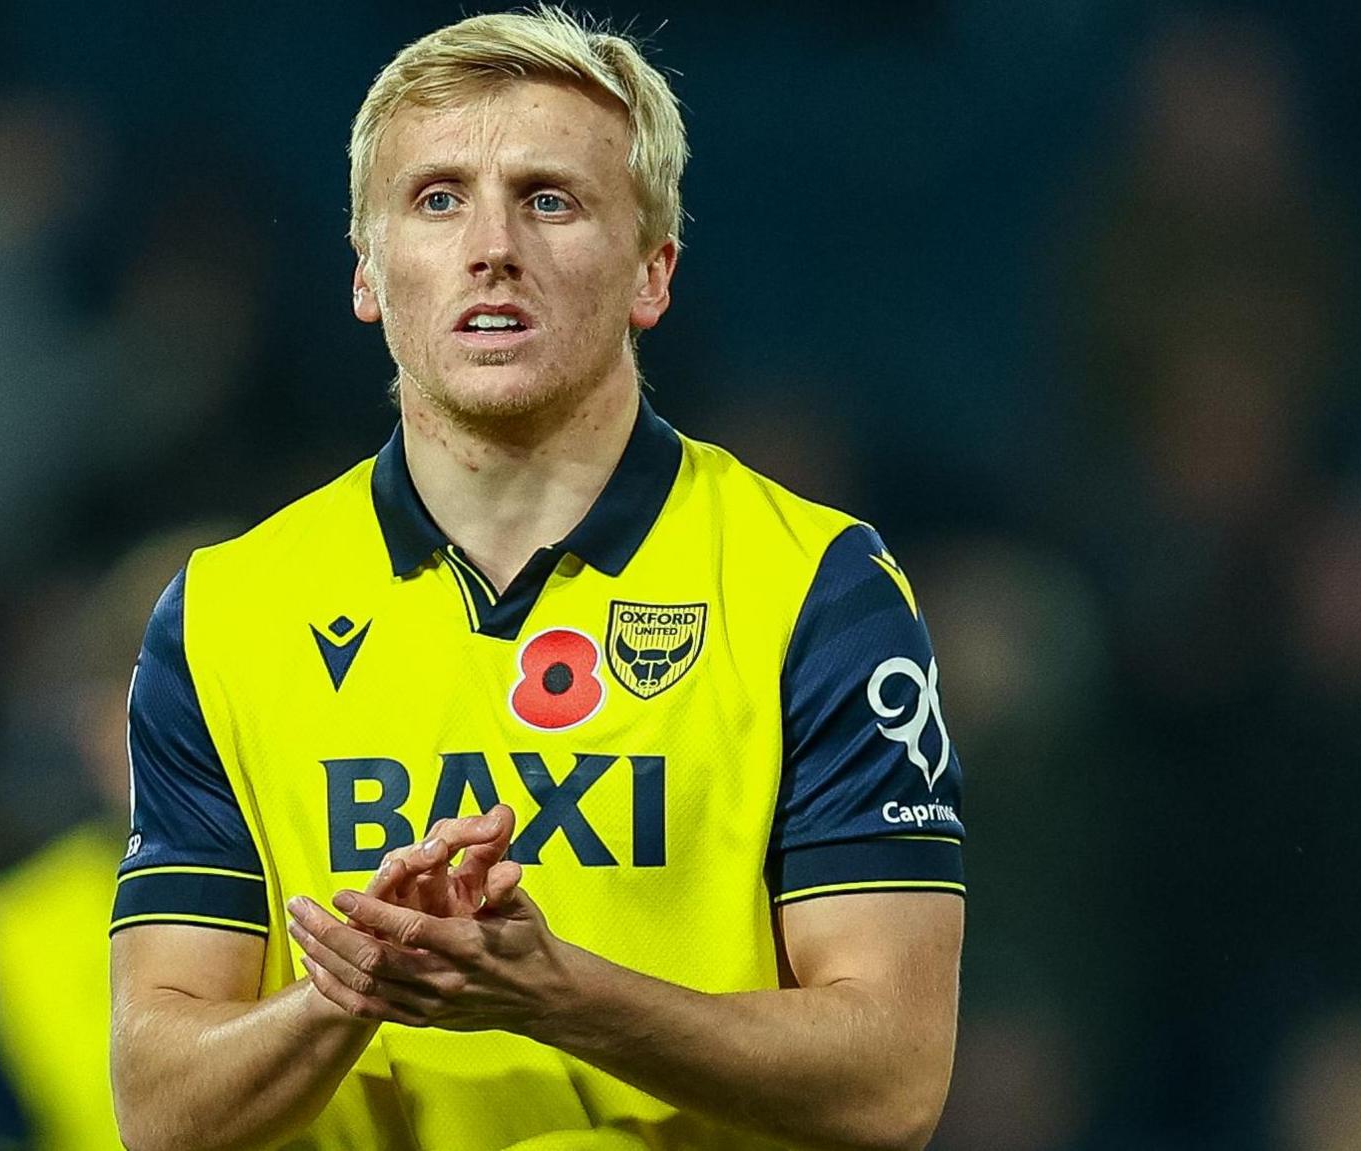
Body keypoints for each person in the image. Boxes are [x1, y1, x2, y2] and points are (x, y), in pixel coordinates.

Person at [109, 9, 966, 1150]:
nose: (491, 245)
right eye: (436, 199)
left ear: (650, 273)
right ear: (366, 273)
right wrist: (350, 987)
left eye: (548, 199)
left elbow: (891, 1077)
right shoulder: (225, 610)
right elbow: (159, 1108)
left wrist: (563, 994)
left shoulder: (817, 587)